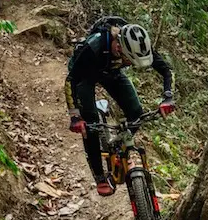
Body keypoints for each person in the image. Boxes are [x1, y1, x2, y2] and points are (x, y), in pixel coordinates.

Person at [66, 17, 175, 196]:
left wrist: (168, 98)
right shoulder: (93, 47)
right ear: (118, 47)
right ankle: (100, 176)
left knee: (136, 113)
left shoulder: (138, 43)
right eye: (129, 60)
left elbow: (167, 70)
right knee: (90, 124)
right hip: (85, 74)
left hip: (112, 71)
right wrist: (75, 116)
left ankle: (118, 149)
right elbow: (71, 80)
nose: (130, 64)